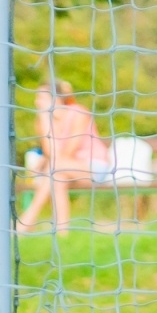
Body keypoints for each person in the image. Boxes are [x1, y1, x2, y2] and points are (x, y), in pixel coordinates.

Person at [16, 80, 113, 233]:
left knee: (56, 169)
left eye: (41, 97)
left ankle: (28, 219)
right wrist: (43, 118)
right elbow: (52, 154)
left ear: (56, 98)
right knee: (58, 178)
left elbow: (67, 152)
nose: (37, 102)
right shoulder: (45, 121)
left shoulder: (79, 113)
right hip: (63, 169)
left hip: (94, 167)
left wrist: (50, 161)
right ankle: (62, 232)